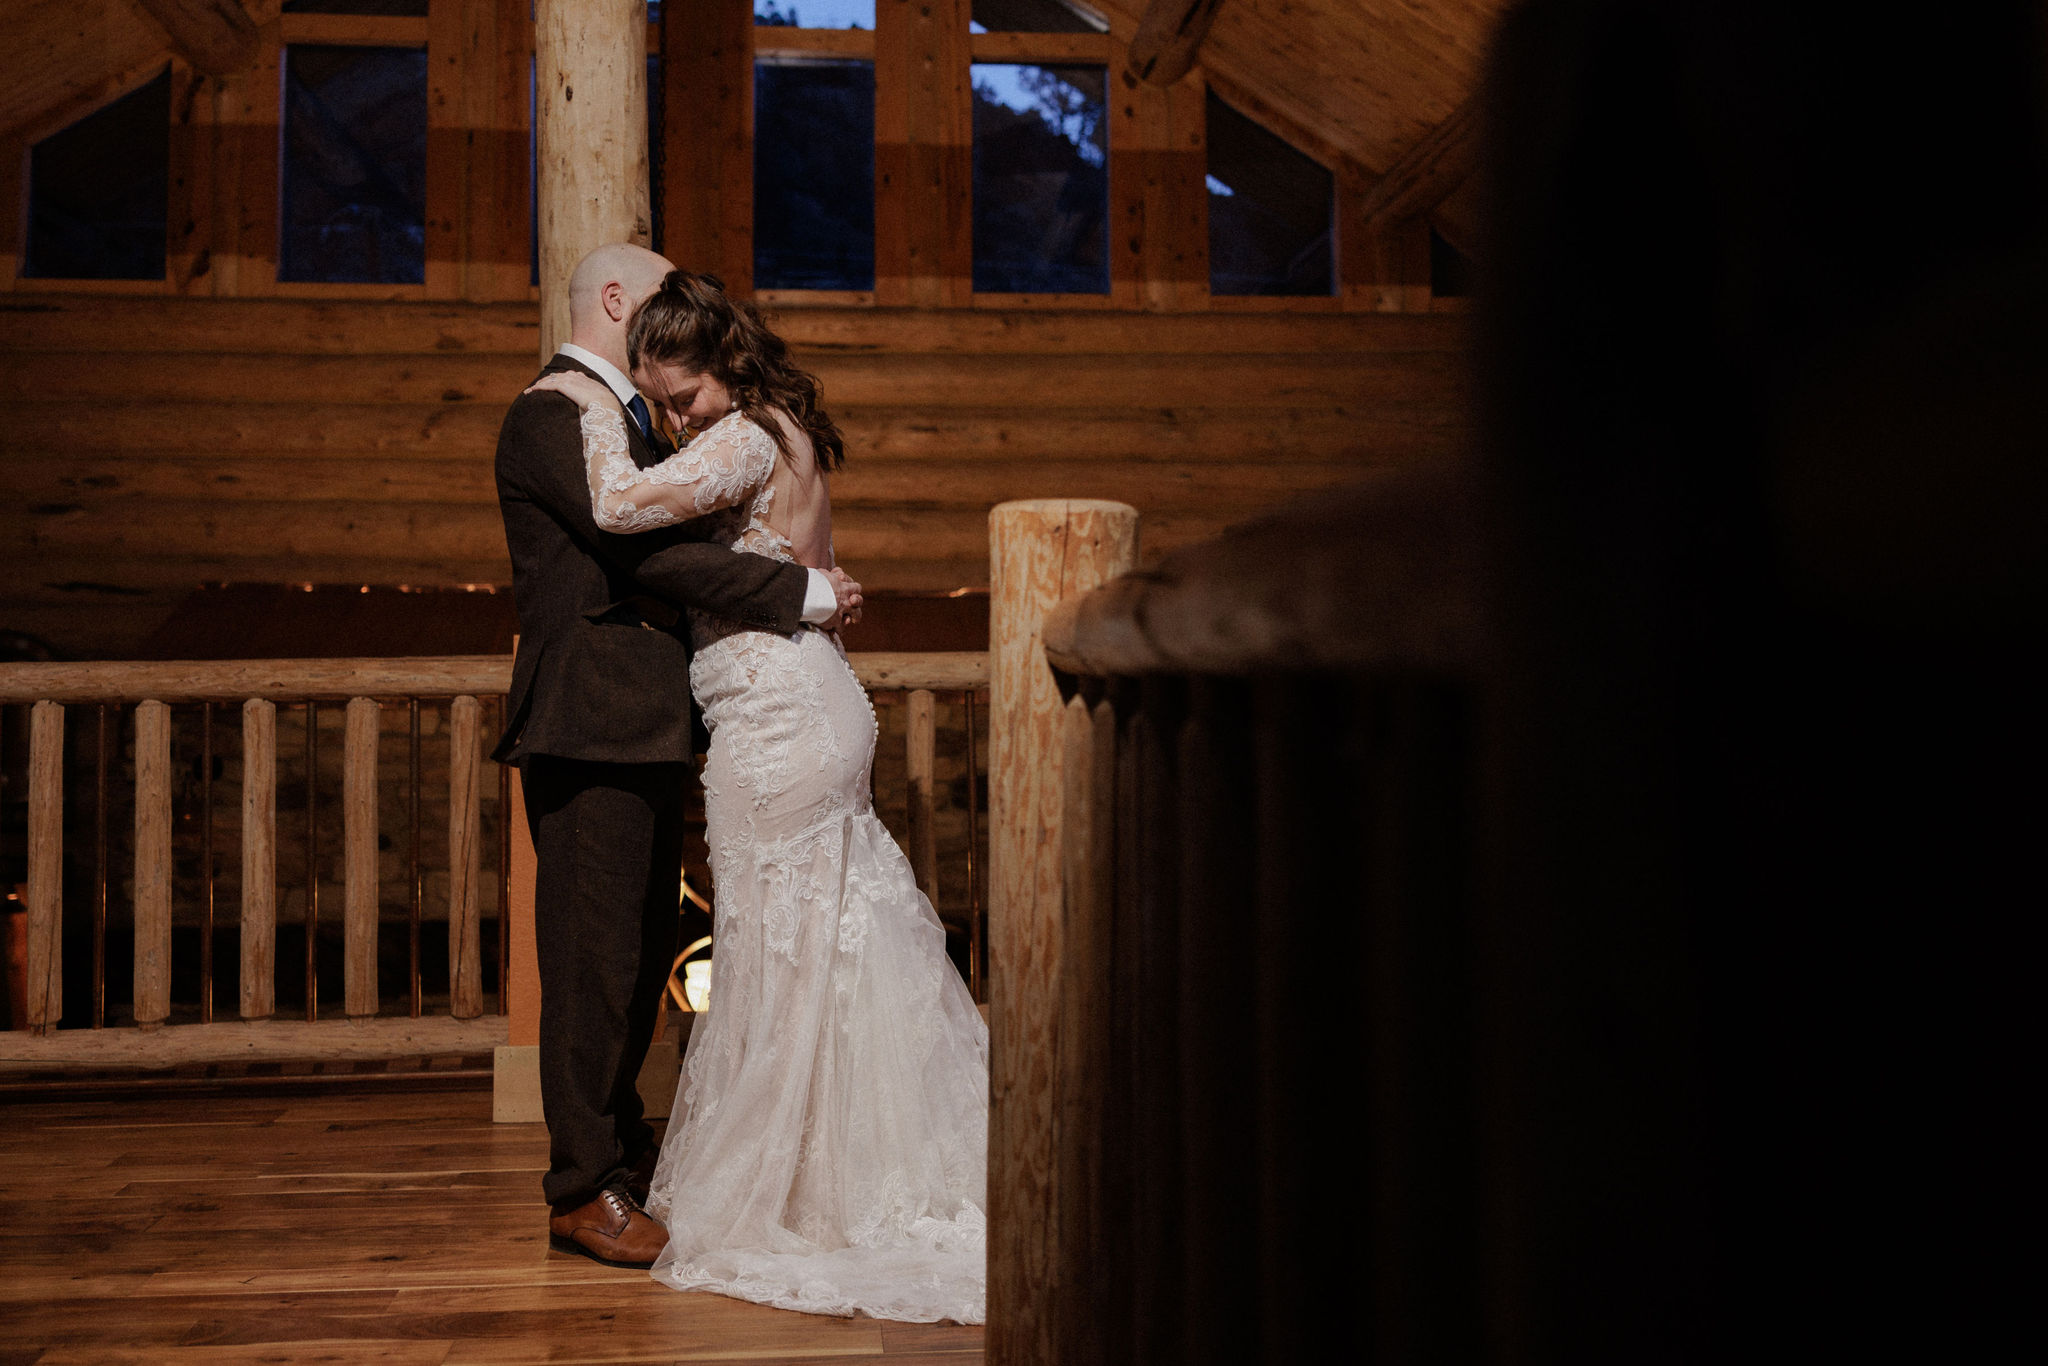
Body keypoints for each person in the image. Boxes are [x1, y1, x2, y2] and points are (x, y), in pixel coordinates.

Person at [525, 270, 989, 1324]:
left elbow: (615, 505)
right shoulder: (784, 430)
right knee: (829, 946)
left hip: (778, 718)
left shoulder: (741, 434)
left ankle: (781, 1186)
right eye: (659, 403)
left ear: (724, 366)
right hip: (806, 699)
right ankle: (843, 1171)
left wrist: (597, 412)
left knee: (776, 952)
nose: (675, 419)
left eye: (679, 396)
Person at [494, 244, 864, 1269]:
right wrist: (794, 589)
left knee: (637, 952)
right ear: (617, 300)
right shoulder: (553, 411)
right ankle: (581, 1188)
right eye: (660, 301)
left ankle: (619, 1160)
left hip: (650, 722)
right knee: (593, 961)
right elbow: (637, 548)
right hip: (592, 719)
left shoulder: (619, 421)